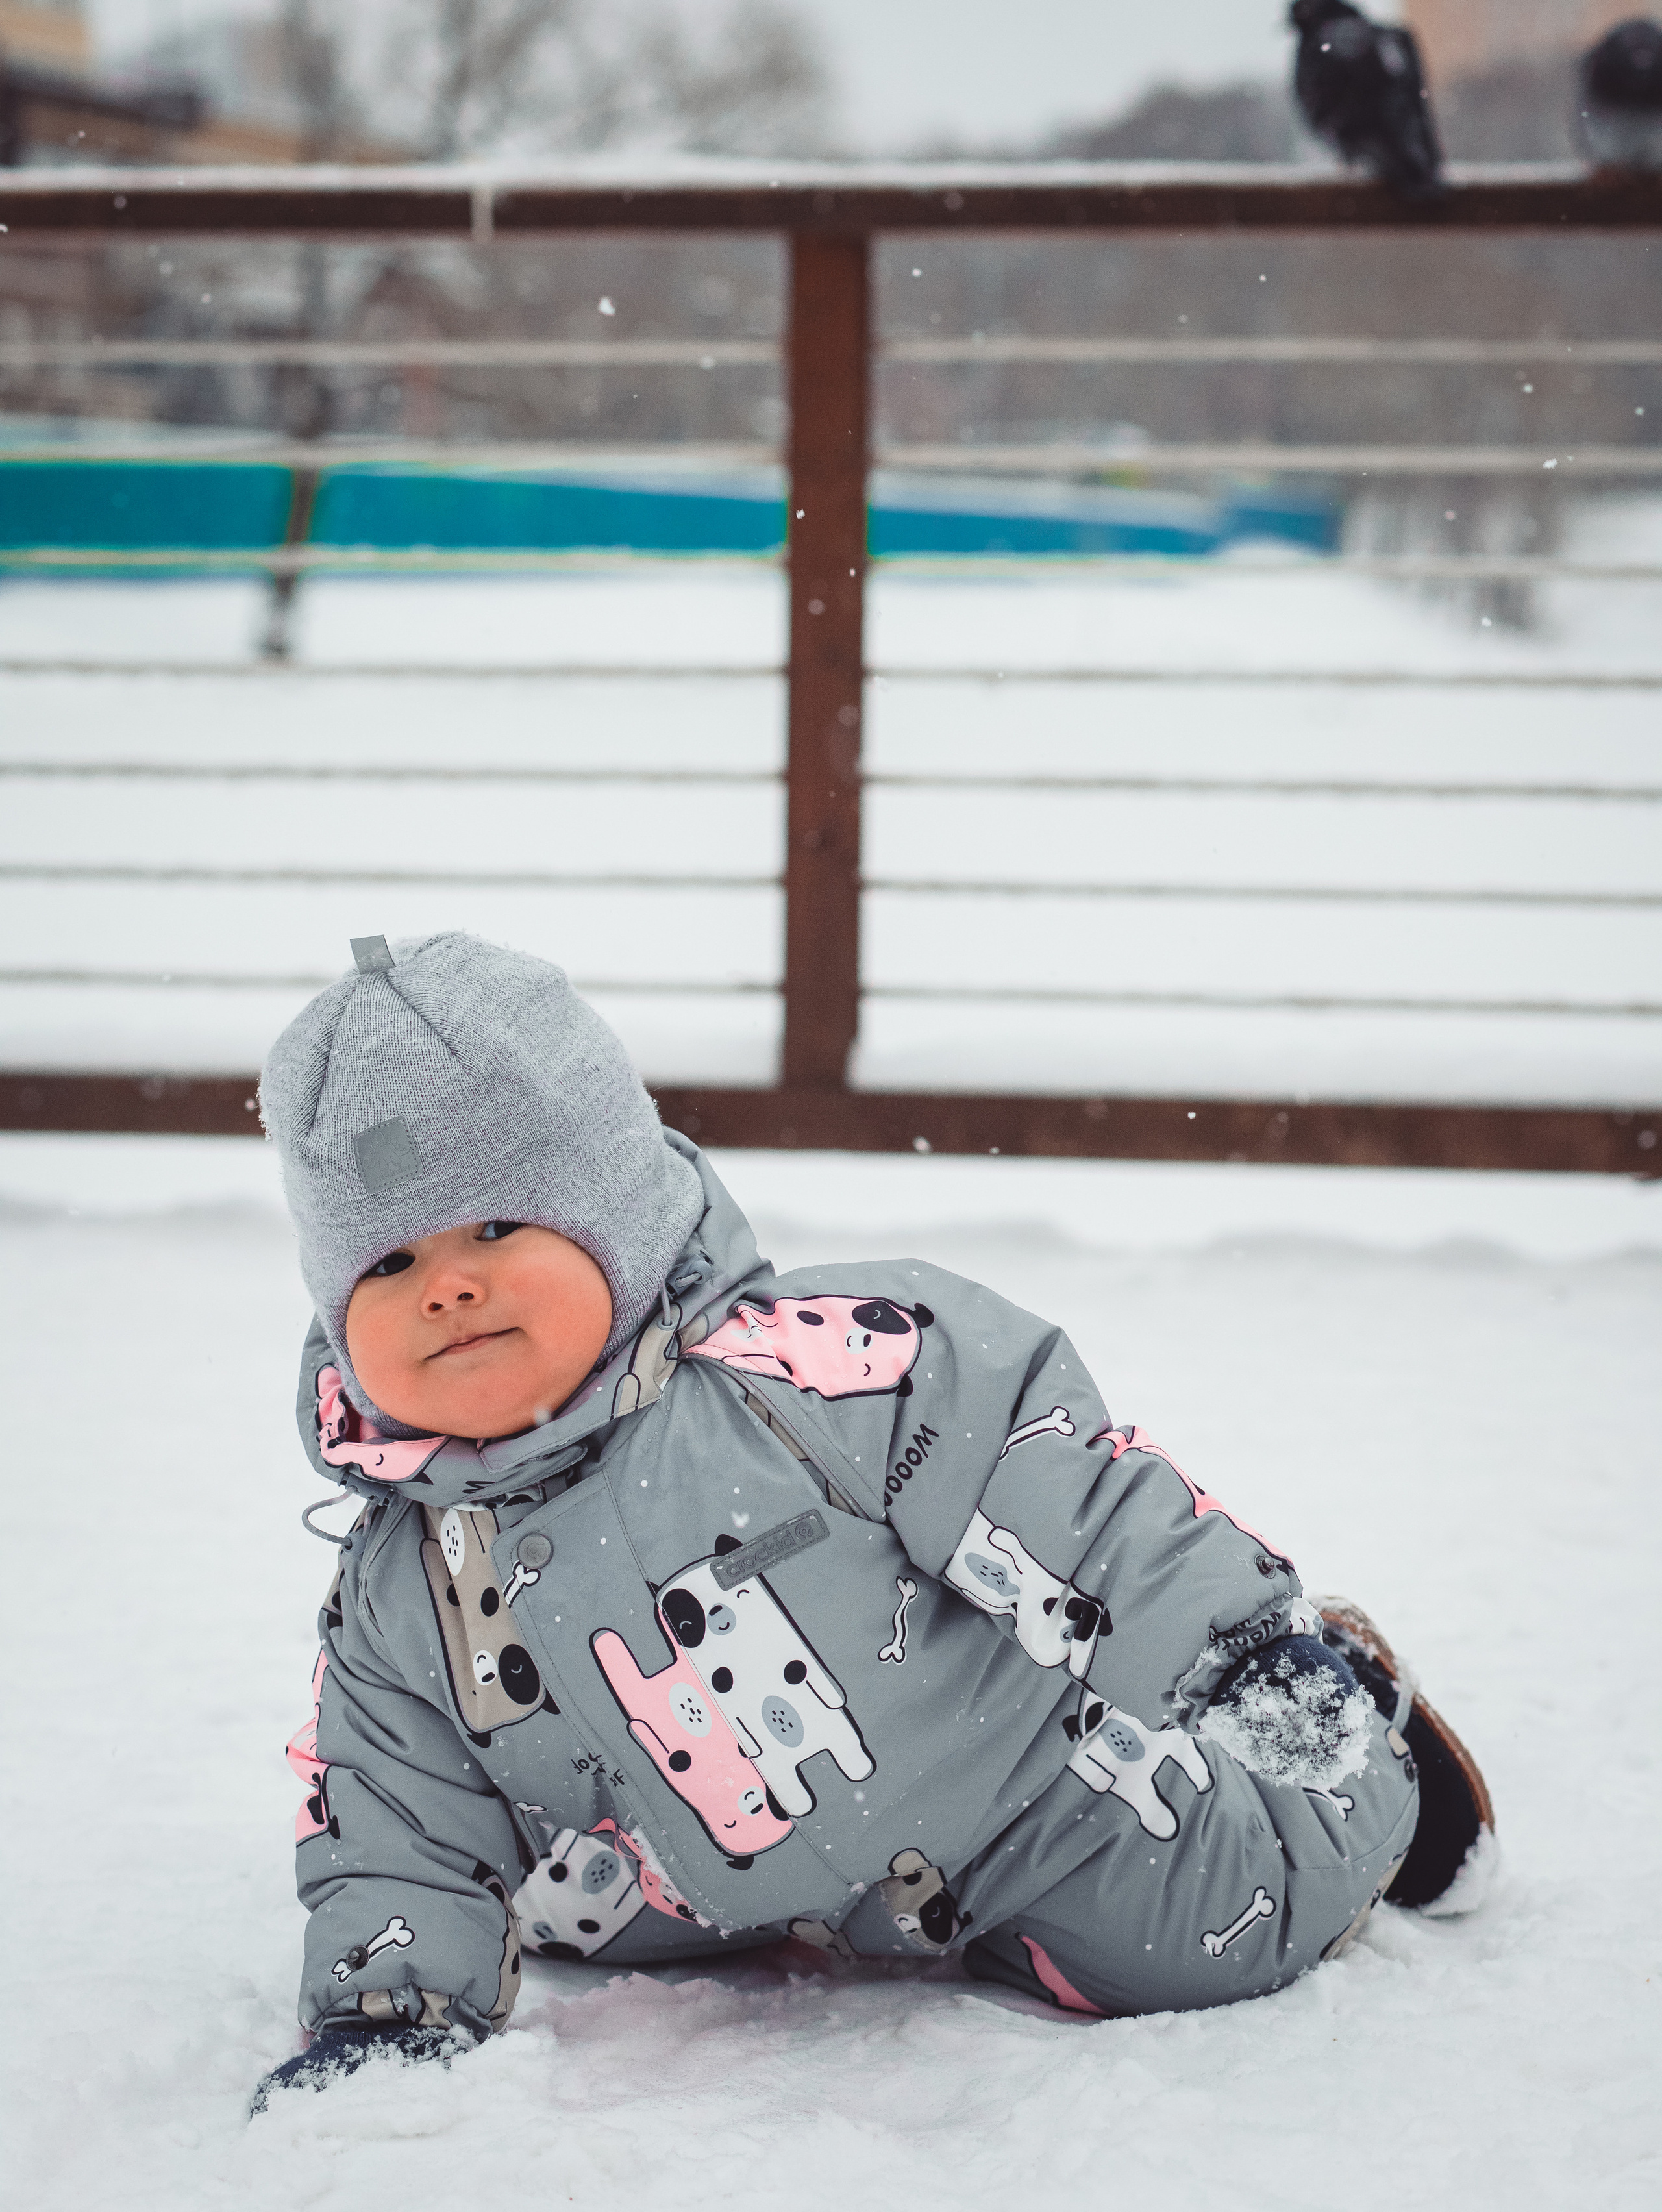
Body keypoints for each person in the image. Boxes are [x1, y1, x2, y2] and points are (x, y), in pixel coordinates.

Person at [251, 930, 1493, 2109]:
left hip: (1019, 1797)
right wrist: (393, 2008)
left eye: (495, 1227)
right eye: (389, 1266)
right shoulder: (404, 1576)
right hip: (693, 1882)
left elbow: (1079, 1502)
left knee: (1223, 1927)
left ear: (615, 1219)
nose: (449, 1286)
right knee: (542, 1918)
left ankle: (1354, 1745)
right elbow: (390, 1807)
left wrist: (1236, 1646)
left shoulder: (825, 1379)